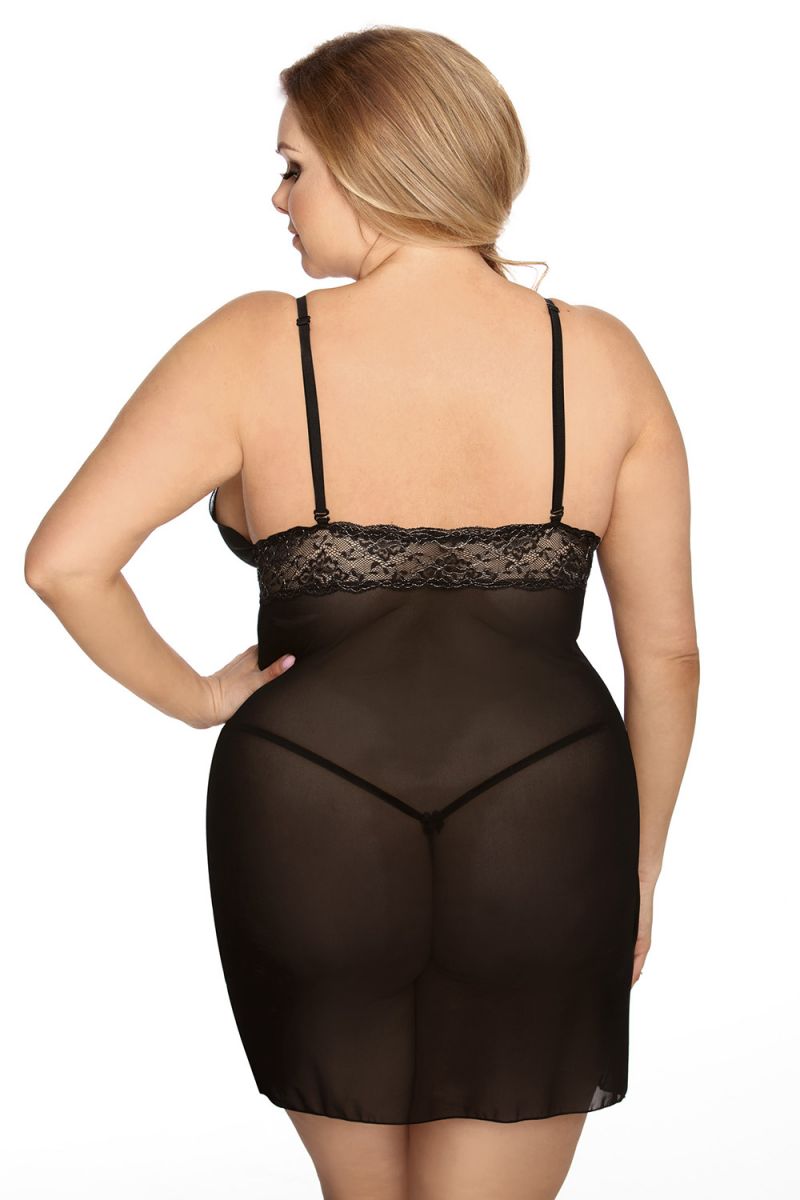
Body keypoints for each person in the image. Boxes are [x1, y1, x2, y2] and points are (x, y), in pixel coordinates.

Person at [25, 25, 699, 1200]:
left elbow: (64, 564)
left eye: (294, 167)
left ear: (375, 161)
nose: (276, 199)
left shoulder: (252, 345)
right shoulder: (598, 358)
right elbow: (668, 655)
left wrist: (200, 697)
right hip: (549, 808)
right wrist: (635, 868)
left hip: (308, 804)